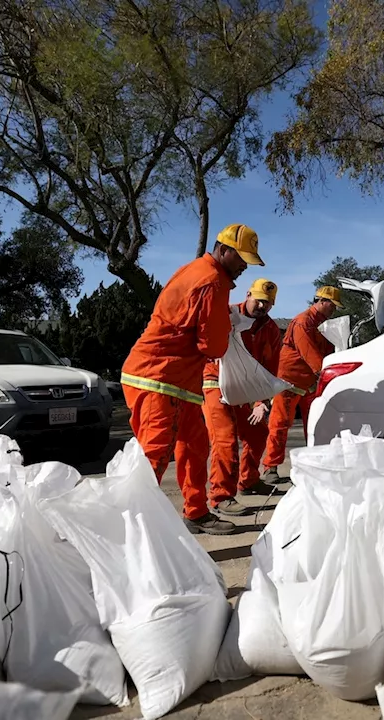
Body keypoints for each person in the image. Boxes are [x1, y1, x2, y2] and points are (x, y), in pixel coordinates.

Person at [120, 223, 264, 535]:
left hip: (174, 379)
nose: (242, 266)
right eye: (240, 258)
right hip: (159, 376)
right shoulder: (213, 282)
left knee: (195, 445)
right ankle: (131, 528)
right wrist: (228, 327)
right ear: (223, 250)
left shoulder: (196, 270)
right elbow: (211, 345)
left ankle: (196, 513)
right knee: (155, 454)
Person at [201, 278, 283, 517]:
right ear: (248, 294)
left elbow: (269, 366)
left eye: (268, 304)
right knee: (225, 438)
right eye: (259, 300)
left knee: (258, 434)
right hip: (215, 382)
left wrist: (262, 401)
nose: (262, 307)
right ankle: (221, 496)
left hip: (241, 388)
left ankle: (248, 481)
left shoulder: (269, 329)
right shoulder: (226, 315)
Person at [261, 286, 341, 485]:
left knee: (314, 425)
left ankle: (311, 464)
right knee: (279, 424)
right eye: (332, 306)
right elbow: (309, 352)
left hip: (310, 383)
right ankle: (270, 467)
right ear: (322, 301)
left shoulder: (325, 326)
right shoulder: (303, 322)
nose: (334, 311)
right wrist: (325, 373)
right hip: (289, 381)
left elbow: (330, 350)